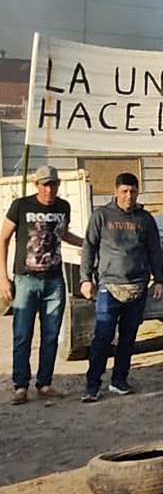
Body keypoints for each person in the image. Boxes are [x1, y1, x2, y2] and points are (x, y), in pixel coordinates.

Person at [79, 173, 163, 402]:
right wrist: (85, 279)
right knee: (103, 337)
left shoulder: (145, 219)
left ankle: (119, 381)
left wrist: (159, 279)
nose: (129, 196)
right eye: (125, 191)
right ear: (116, 191)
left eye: (133, 191)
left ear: (138, 192)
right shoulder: (101, 216)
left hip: (137, 287)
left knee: (128, 338)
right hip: (109, 287)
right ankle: (92, 386)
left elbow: (154, 250)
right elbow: (88, 248)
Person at [1, 166, 84, 404]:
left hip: (54, 280)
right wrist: (3, 278)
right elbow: (3, 238)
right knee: (22, 334)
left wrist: (87, 243)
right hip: (26, 279)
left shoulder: (63, 207)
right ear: (36, 185)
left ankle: (44, 383)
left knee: (51, 335)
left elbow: (62, 234)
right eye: (45, 184)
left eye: (53, 184)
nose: (49, 189)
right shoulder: (21, 205)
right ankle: (20, 385)